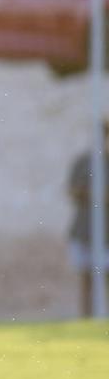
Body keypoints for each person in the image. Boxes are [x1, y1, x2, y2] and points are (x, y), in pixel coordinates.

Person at [67, 122, 109, 317]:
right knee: (86, 278)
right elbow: (72, 189)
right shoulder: (85, 162)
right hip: (85, 229)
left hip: (107, 230)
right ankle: (87, 318)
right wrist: (93, 192)